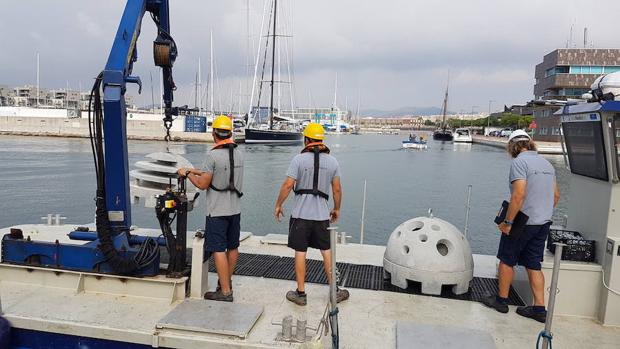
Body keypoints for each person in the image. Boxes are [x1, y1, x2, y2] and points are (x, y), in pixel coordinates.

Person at [482, 129, 560, 323]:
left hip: (522, 222)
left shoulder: (519, 162)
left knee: (506, 259)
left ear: (512, 146)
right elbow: (556, 196)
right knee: (533, 264)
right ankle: (540, 308)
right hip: (543, 222)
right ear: (530, 143)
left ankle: (501, 301)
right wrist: (540, 211)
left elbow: (518, 194)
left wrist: (508, 222)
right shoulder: (547, 164)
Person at [274, 122, 350, 306]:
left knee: (300, 252)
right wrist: (337, 208)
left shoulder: (298, 160)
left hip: (300, 215)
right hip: (321, 216)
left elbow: (287, 185)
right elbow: (337, 189)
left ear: (306, 139)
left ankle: (301, 293)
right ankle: (335, 291)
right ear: (321, 140)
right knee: (327, 252)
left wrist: (278, 204)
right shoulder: (332, 162)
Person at [178, 115, 244, 302]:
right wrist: (197, 170)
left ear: (214, 133)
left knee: (218, 249)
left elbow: (203, 184)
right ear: (230, 133)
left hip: (217, 211)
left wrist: (188, 173)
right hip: (235, 209)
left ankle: (224, 293)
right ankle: (226, 283)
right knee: (233, 247)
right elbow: (223, 172)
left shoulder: (212, 155)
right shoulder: (239, 153)